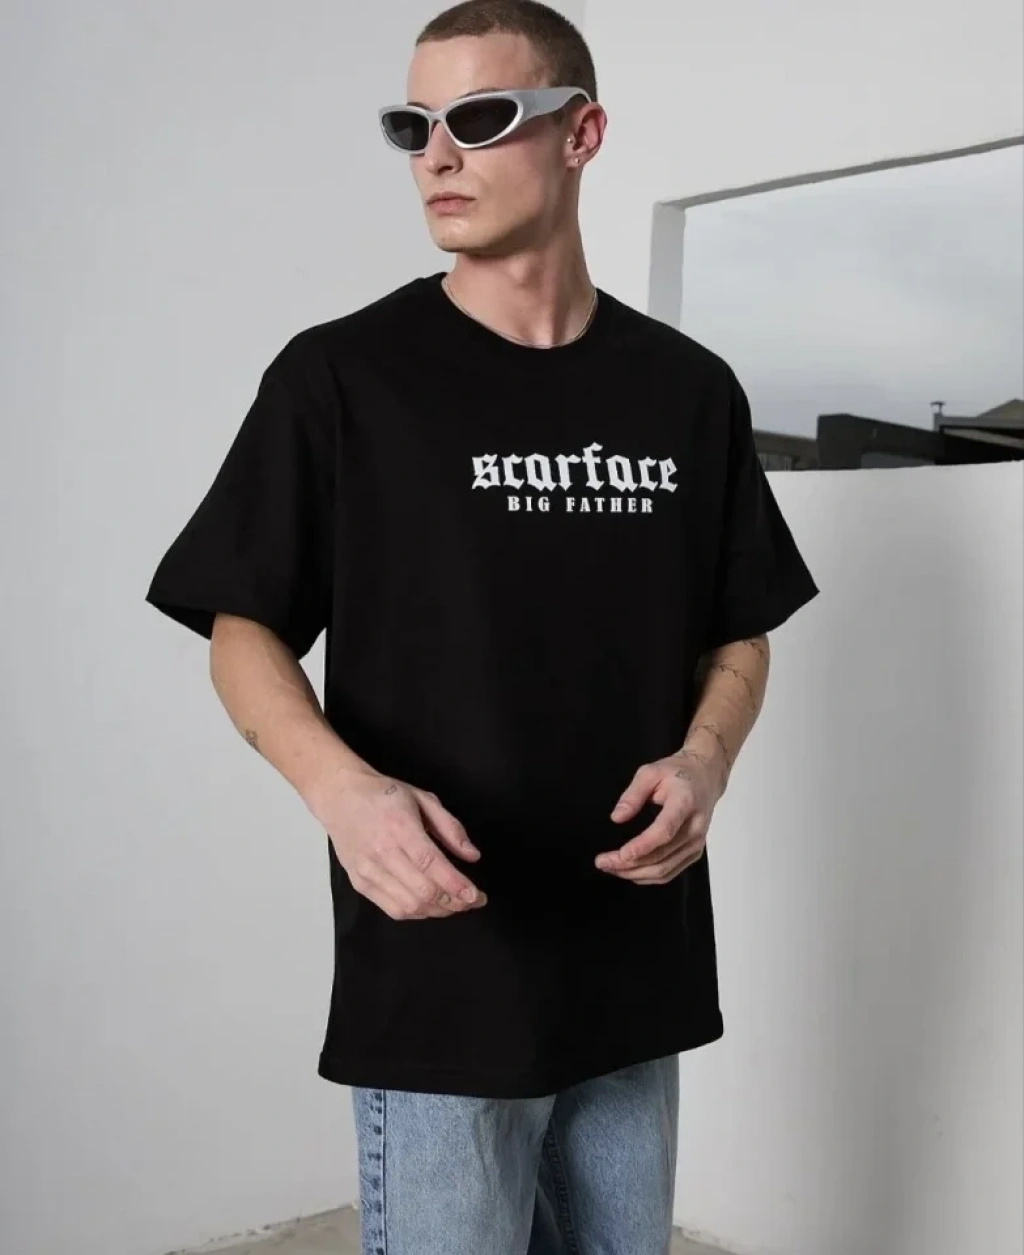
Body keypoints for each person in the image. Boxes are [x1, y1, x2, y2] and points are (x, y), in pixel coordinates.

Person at [144, 1, 820, 1251]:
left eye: (481, 116)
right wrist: (343, 795)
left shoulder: (687, 389)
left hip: (633, 958)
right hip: (443, 964)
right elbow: (242, 626)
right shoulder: (343, 377)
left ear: (582, 132)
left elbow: (739, 628)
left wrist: (707, 758)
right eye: (413, 126)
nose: (437, 156)